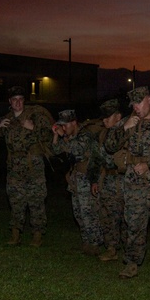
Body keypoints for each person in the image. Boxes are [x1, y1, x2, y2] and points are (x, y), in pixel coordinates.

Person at [103, 86, 150, 281]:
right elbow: (109, 145)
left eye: (139, 103)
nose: (136, 107)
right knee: (134, 223)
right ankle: (131, 263)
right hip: (133, 183)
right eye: (133, 104)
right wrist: (124, 128)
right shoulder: (129, 122)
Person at [0, 86, 52, 247]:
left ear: (24, 101)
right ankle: (16, 234)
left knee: (36, 201)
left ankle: (37, 235)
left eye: (20, 99)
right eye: (14, 99)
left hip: (33, 165)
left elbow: (49, 134)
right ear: (10, 102)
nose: (17, 102)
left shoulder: (34, 116)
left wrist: (33, 128)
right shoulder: (7, 119)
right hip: (14, 168)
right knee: (16, 201)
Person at [51, 109, 104, 256]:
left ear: (74, 123)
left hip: (87, 176)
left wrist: (64, 137)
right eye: (61, 125)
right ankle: (86, 241)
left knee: (89, 212)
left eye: (65, 125)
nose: (64, 128)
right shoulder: (70, 135)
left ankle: (95, 243)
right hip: (76, 177)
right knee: (78, 212)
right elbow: (56, 150)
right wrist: (56, 135)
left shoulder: (85, 135)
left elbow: (77, 149)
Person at [95, 99, 126, 262]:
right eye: (103, 117)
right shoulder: (103, 133)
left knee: (126, 217)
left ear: (119, 116)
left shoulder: (126, 132)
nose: (105, 120)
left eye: (109, 116)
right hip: (107, 179)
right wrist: (97, 180)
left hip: (122, 181)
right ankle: (112, 248)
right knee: (108, 216)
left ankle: (128, 249)